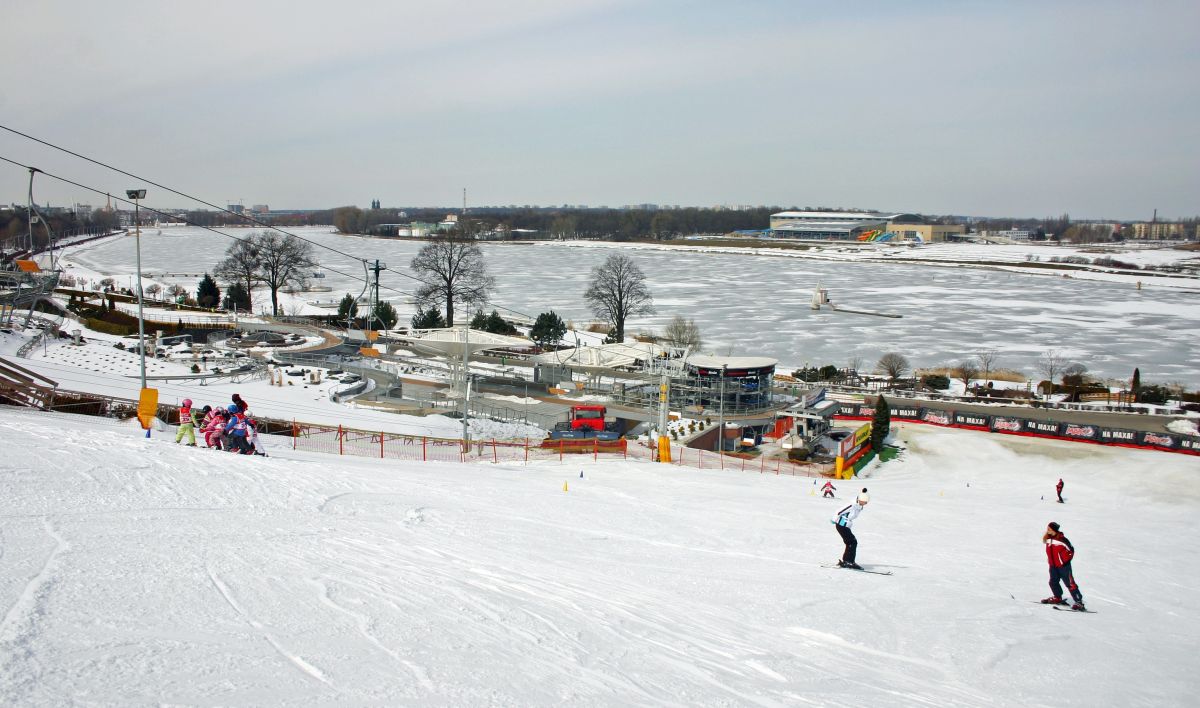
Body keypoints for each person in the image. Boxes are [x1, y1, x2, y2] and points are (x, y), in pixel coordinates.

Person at [1041, 521, 1085, 611]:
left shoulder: (1062, 540)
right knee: (1053, 582)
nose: (1047, 530)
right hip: (1053, 566)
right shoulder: (1048, 539)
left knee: (1070, 584)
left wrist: (1064, 561)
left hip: (1063, 566)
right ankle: (1057, 597)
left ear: (1054, 530)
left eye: (1049, 529)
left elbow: (1071, 551)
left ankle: (1079, 602)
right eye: (1047, 528)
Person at [831, 488, 869, 569]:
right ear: (860, 499)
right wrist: (834, 520)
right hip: (841, 525)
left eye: (866, 502)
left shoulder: (859, 505)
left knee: (850, 542)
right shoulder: (852, 504)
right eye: (864, 502)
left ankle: (846, 561)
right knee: (852, 542)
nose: (865, 504)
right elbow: (839, 511)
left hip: (845, 525)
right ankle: (849, 562)